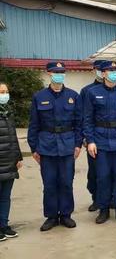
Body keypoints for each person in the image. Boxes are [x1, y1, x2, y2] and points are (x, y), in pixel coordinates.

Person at [28, 61, 82, 231]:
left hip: (67, 145)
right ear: (49, 74)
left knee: (66, 182)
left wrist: (78, 144)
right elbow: (33, 125)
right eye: (56, 72)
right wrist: (34, 148)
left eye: (62, 72)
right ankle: (51, 216)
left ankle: (66, 215)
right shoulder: (39, 96)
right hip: (46, 146)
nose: (60, 74)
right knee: (49, 184)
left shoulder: (73, 96)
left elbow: (79, 123)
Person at [83, 61, 116, 224]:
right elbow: (87, 119)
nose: (114, 73)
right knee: (103, 177)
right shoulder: (92, 92)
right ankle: (104, 209)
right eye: (111, 70)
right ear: (103, 73)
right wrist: (90, 140)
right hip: (100, 142)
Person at [80, 59, 105, 212]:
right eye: (99, 69)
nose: (103, 73)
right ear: (94, 71)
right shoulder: (87, 91)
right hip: (94, 138)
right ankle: (96, 198)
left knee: (115, 172)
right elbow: (83, 116)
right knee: (95, 172)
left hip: (113, 138)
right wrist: (86, 138)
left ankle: (113, 199)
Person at [0, 83, 23, 241]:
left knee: (5, 197)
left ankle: (4, 225)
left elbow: (13, 137)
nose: (4, 94)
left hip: (9, 160)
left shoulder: (8, 112)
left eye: (6, 91)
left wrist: (18, 157)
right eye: (1, 92)